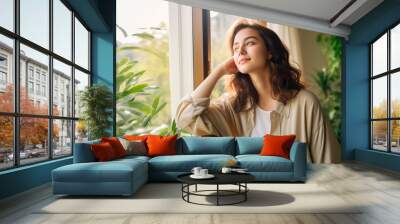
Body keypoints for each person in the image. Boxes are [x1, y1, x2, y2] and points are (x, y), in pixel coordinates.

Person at [175, 20, 341, 163]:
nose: (240, 52)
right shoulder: (233, 107)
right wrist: (219, 71)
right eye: (236, 48)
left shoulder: (305, 103)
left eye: (250, 43)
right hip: (247, 196)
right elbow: (185, 117)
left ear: (269, 52)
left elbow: (328, 162)